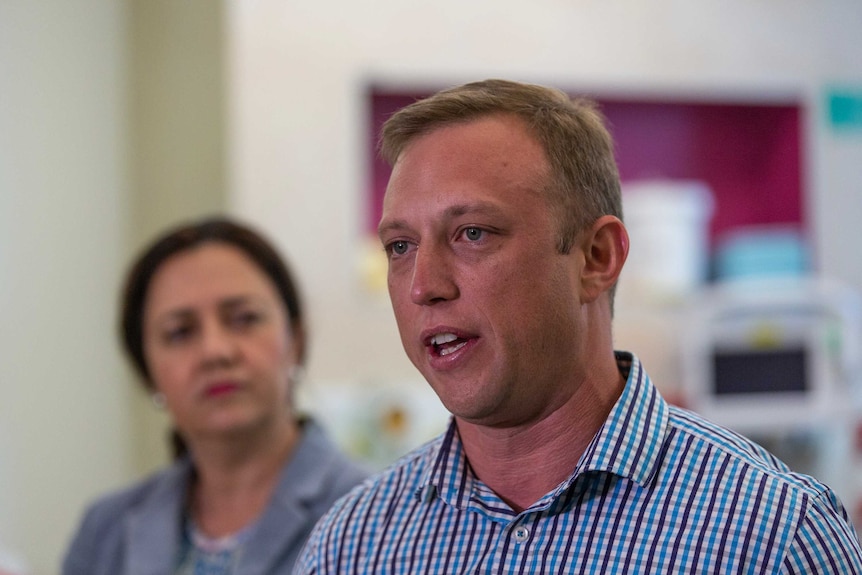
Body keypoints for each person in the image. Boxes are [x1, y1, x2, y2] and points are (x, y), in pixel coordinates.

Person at [295, 79, 862, 574]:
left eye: (473, 233)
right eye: (400, 246)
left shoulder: (772, 538)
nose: (424, 285)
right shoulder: (353, 546)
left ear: (596, 256)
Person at [62, 217, 368, 574]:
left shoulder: (377, 514)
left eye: (244, 319)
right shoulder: (106, 529)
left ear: (295, 342)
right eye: (180, 332)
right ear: (148, 372)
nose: (215, 351)